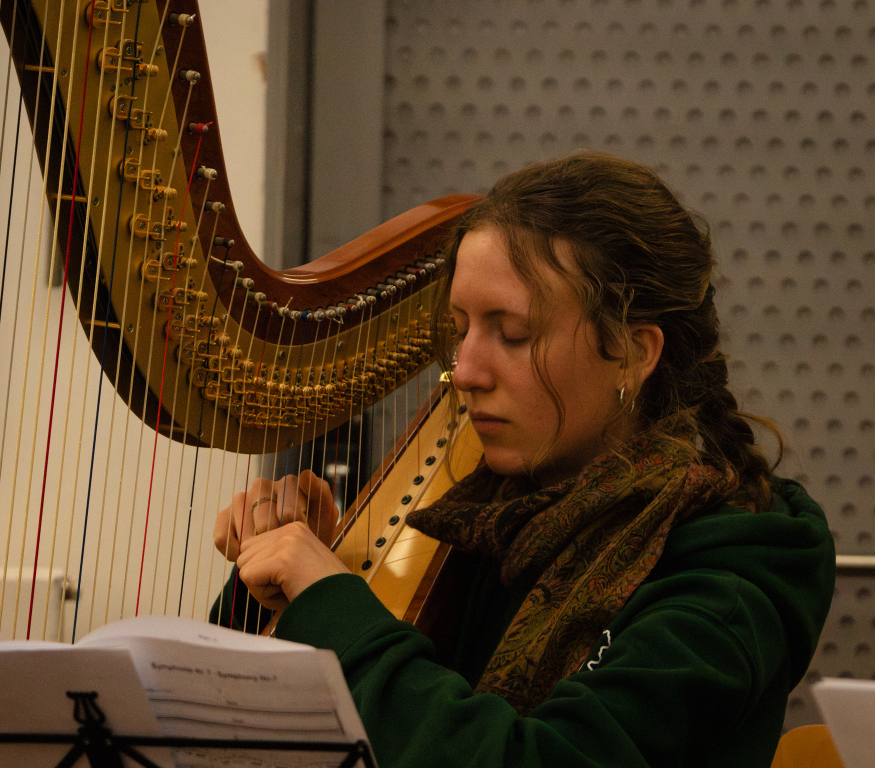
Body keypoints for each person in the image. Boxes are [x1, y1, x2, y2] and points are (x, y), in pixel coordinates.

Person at [210, 152, 836, 767]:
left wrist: (335, 605)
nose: (464, 372)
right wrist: (283, 581)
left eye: (512, 334)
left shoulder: (726, 590)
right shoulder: (490, 517)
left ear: (631, 352)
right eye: (461, 329)